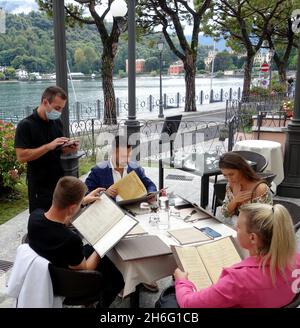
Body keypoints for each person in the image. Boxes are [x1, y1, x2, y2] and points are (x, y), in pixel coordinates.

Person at [172, 203, 300, 307]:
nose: (234, 229)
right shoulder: (297, 260)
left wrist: (182, 281)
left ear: (253, 238)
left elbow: (189, 304)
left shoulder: (238, 279)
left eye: (238, 227)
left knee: (169, 299)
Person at [27, 176, 124, 307]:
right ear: (72, 208)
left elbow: (60, 220)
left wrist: (82, 201)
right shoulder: (70, 240)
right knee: (118, 273)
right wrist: (102, 244)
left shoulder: (35, 217)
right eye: (78, 204)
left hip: (47, 273)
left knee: (89, 249)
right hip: (68, 285)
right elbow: (86, 269)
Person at [14, 86, 78, 213]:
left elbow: (56, 150)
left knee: (60, 218)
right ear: (45, 102)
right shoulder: (25, 125)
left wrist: (67, 148)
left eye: (61, 109)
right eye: (57, 108)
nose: (59, 112)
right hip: (39, 185)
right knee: (41, 222)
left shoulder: (57, 122)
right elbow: (21, 156)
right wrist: (48, 146)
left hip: (58, 182)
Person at [85, 135, 157, 198]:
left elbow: (150, 185)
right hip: (111, 211)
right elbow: (86, 195)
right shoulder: (98, 171)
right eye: (123, 156)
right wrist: (104, 194)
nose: (127, 160)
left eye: (129, 156)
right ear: (112, 153)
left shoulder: (136, 168)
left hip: (133, 208)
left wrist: (151, 194)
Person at [218, 152, 272, 225]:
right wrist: (235, 201)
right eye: (225, 175)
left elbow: (266, 220)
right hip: (236, 227)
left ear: (242, 169)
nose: (229, 179)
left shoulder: (260, 189)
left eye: (231, 174)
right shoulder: (230, 185)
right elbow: (225, 214)